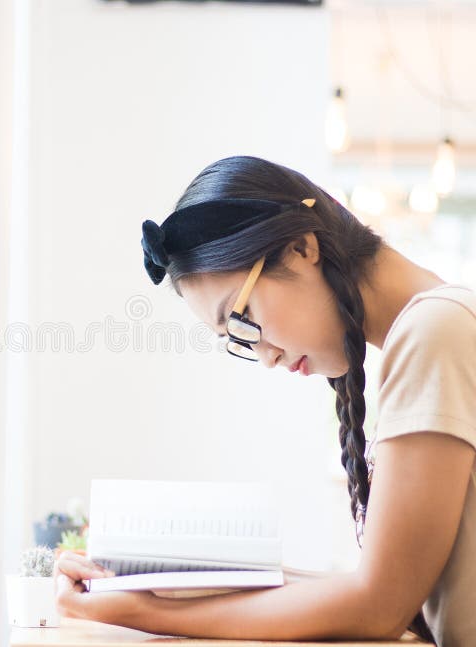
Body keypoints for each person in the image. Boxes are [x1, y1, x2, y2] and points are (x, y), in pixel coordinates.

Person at [53, 156, 476, 645]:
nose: (266, 357)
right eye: (237, 339)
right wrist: (172, 589)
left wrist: (147, 614)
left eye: (242, 317)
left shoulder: (436, 331)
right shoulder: (439, 327)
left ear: (300, 248)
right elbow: (387, 597)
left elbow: (379, 605)